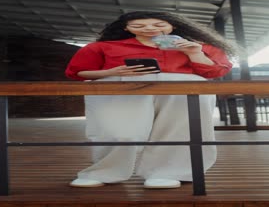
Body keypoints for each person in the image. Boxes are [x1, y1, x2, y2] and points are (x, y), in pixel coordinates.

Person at [65, 11, 236, 189]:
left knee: (179, 130)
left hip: (182, 90)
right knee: (117, 131)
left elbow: (217, 71)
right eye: (138, 26)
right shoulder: (101, 47)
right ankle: (103, 171)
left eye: (158, 25)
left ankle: (169, 172)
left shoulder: (200, 47)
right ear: (126, 28)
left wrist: (194, 53)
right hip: (121, 88)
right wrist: (112, 72)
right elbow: (77, 72)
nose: (149, 29)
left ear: (173, 25)